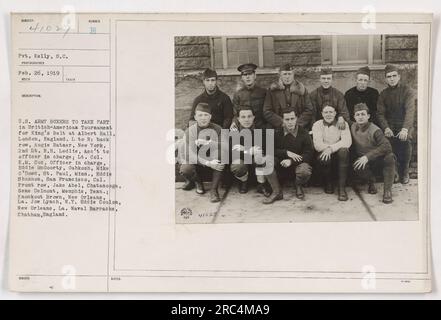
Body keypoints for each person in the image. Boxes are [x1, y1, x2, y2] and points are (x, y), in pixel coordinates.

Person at [376, 64, 416, 184]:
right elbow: (380, 114)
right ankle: (394, 171)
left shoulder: (407, 91)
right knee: (387, 143)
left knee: (406, 140)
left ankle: (404, 171)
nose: (392, 79)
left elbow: (410, 111)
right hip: (390, 126)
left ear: (399, 77)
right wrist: (386, 127)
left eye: (394, 76)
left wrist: (405, 129)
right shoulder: (383, 94)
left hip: (404, 125)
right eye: (389, 77)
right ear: (386, 79)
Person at [179, 102, 226, 203]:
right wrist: (208, 163)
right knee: (185, 168)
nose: (203, 118)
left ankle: (214, 190)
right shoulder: (190, 131)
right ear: (195, 117)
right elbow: (189, 155)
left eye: (206, 115)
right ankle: (198, 182)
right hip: (199, 162)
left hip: (213, 159)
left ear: (210, 117)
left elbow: (225, 146)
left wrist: (209, 142)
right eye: (200, 115)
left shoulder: (218, 128)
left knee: (221, 154)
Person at [229, 106, 278, 203]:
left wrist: (245, 149)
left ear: (253, 117)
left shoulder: (261, 129)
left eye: (249, 116)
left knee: (260, 156)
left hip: (256, 161)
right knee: (237, 165)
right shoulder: (234, 132)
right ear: (238, 119)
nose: (246, 119)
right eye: (243, 117)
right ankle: (244, 182)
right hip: (244, 162)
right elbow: (233, 154)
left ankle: (262, 184)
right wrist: (249, 150)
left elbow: (265, 148)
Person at [351, 103, 396, 204]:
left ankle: (387, 191)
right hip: (364, 161)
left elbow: (387, 146)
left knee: (390, 157)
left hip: (378, 159)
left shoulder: (375, 130)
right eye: (357, 115)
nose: (360, 117)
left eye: (363, 114)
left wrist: (367, 156)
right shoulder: (352, 126)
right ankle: (371, 181)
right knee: (356, 165)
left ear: (368, 116)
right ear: (354, 117)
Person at [312, 105, 352, 201]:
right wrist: (328, 149)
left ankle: (341, 188)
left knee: (344, 151)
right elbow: (317, 145)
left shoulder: (342, 123)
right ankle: (328, 183)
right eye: (326, 112)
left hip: (338, 152)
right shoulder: (317, 124)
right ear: (322, 114)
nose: (328, 114)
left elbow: (347, 142)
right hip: (324, 152)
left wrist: (331, 148)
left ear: (335, 113)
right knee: (324, 157)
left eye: (331, 112)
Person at [273, 108, 314, 200]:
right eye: (287, 119)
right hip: (281, 164)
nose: (290, 122)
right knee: (268, 161)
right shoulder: (277, 132)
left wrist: (291, 161)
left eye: (292, 119)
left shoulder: (304, 133)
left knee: (305, 170)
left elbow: (309, 154)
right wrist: (286, 152)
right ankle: (276, 188)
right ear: (283, 120)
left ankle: (298, 185)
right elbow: (270, 150)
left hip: (297, 164)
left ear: (296, 119)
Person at [263, 63, 314, 130]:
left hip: (298, 128)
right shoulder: (272, 91)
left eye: (289, 74)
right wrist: (282, 123)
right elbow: (267, 111)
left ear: (293, 75)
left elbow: (309, 109)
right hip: (278, 128)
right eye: (285, 74)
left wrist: (297, 124)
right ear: (280, 75)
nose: (287, 77)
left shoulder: (301, 89)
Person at [230, 63, 268, 130]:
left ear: (255, 76)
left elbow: (267, 111)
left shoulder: (264, 92)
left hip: (261, 127)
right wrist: (234, 123)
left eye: (250, 74)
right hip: (244, 128)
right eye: (245, 75)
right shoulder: (238, 94)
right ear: (242, 78)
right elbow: (235, 114)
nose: (247, 77)